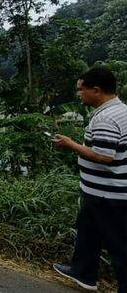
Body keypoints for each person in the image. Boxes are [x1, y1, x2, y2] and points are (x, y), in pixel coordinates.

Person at [53, 67, 126, 292]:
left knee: (119, 245)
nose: (79, 95)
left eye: (81, 90)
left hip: (109, 194)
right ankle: (83, 273)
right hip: (98, 192)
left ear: (96, 90)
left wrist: (70, 145)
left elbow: (105, 156)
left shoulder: (105, 117)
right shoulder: (121, 111)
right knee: (88, 232)